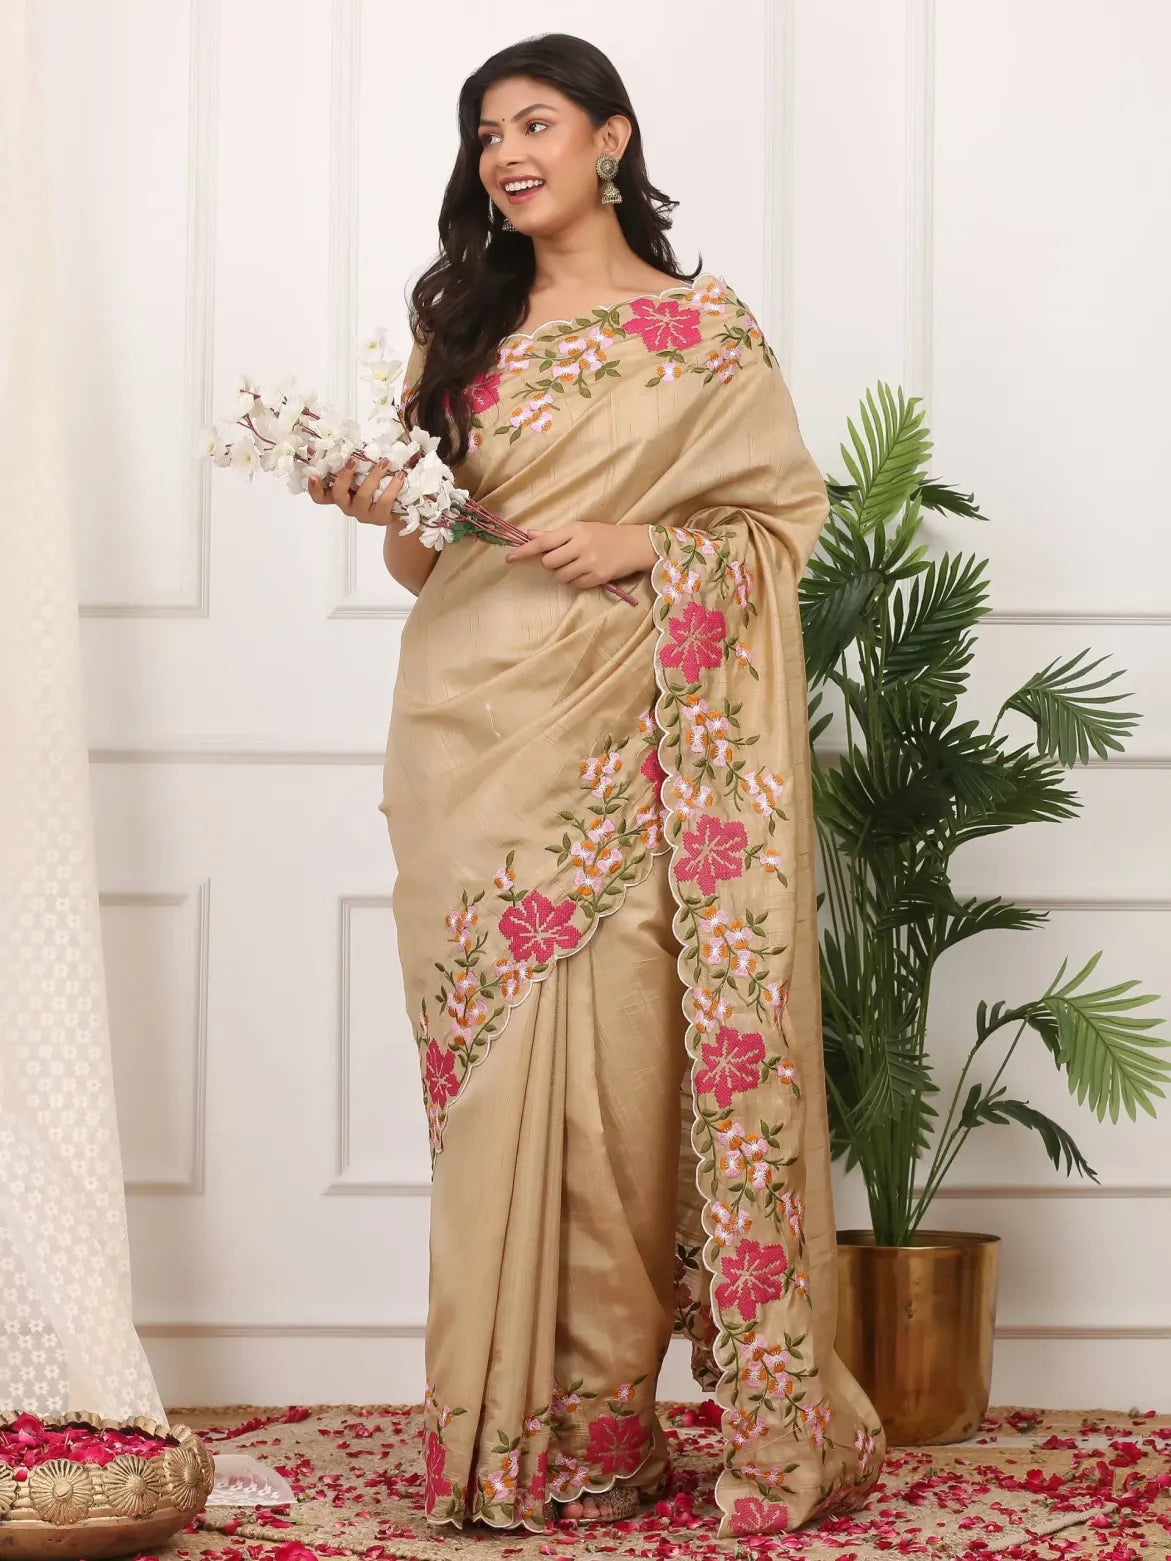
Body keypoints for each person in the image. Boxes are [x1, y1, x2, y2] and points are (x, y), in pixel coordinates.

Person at [309, 30, 883, 1540]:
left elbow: (782, 524)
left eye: (539, 121)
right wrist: (392, 500)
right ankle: (498, 1443)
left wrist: (653, 545)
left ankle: (599, 1434)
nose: (509, 150)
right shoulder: (466, 321)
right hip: (470, 734)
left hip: (638, 740)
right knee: (493, 1090)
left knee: (625, 1088)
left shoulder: (705, 332)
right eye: (488, 130)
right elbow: (426, 555)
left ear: (613, 140)